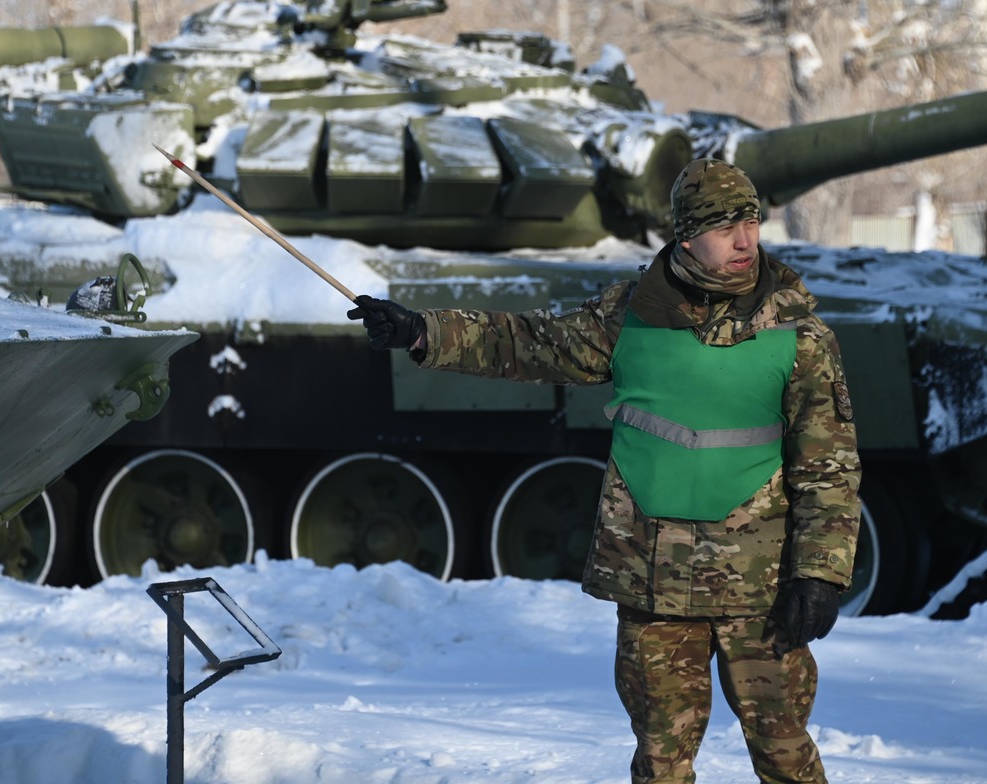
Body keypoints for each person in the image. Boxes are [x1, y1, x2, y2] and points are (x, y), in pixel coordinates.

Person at [347, 157, 860, 784]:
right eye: (726, 227)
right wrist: (422, 331)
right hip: (652, 581)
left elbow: (829, 467)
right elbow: (530, 342)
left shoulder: (799, 334)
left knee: (786, 755)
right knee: (661, 762)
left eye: (751, 222)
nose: (745, 240)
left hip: (762, 588)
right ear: (685, 236)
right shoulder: (629, 318)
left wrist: (819, 573)